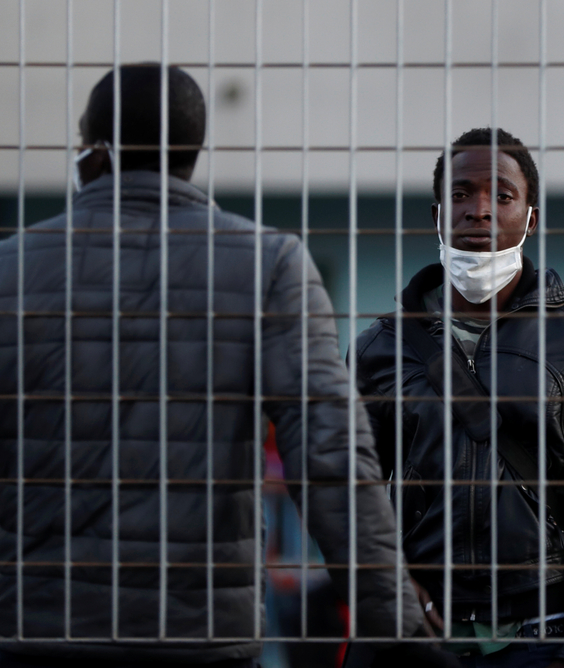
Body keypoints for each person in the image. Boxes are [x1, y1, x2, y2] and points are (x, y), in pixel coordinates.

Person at [0, 64, 429, 666]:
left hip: (39, 629)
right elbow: (332, 457)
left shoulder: (12, 269)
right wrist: (400, 631)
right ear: (193, 151)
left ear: (94, 152)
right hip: (198, 635)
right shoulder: (267, 265)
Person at [354, 127, 564, 668]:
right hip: (418, 638)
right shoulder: (377, 347)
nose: (479, 211)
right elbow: (346, 491)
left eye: (501, 195)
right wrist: (386, 586)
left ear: (529, 217)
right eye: (460, 194)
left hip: (541, 636)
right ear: (438, 213)